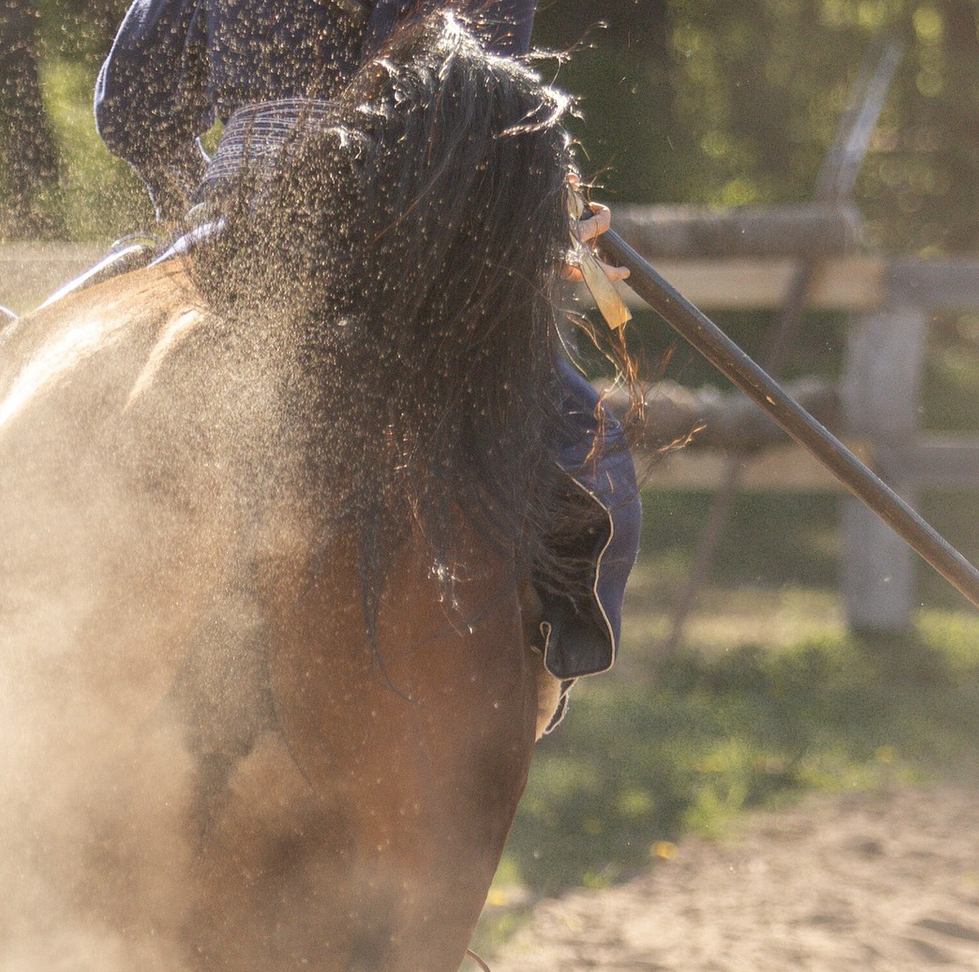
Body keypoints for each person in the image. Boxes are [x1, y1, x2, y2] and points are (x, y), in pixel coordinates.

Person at [93, 0, 640, 711]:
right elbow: (454, 100)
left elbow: (130, 101)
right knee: (590, 445)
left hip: (230, 230)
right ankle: (543, 678)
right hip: (399, 248)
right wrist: (531, 208)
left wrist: (185, 196)